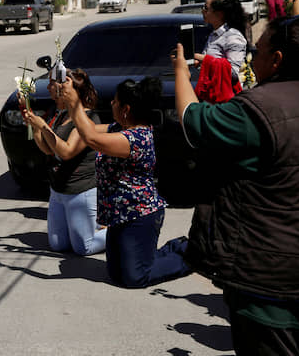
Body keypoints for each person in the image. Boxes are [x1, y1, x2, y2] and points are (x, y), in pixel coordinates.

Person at [172, 16, 299, 355]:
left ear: (278, 59)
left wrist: (181, 71)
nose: (254, 57)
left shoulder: (257, 111)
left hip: (272, 277)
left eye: (259, 51)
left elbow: (191, 120)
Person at [60, 75, 191, 288]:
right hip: (118, 215)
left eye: (115, 101)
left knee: (135, 278)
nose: (111, 103)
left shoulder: (135, 139)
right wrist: (70, 103)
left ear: (126, 109)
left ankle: (189, 256)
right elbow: (89, 131)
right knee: (115, 274)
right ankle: (172, 249)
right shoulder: (118, 129)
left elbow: (92, 139)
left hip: (140, 215)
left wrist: (74, 102)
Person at [20, 67, 106, 256]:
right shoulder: (59, 114)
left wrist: (43, 126)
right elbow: (49, 149)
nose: (50, 87)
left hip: (80, 191)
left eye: (54, 83)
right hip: (58, 191)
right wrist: (35, 127)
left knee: (84, 247)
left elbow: (66, 152)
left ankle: (119, 230)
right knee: (59, 245)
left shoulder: (88, 118)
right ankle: (84, 226)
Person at [193, 0, 247, 103]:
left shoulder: (233, 37)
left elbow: (234, 73)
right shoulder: (214, 34)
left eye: (206, 8)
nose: (203, 11)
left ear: (219, 13)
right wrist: (201, 64)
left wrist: (204, 59)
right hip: (212, 98)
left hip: (227, 102)